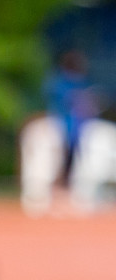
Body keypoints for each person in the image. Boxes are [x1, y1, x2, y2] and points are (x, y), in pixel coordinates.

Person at [46, 51, 99, 184]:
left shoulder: (81, 81)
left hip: (79, 121)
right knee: (70, 138)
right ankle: (64, 177)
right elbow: (63, 99)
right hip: (64, 119)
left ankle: (78, 177)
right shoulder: (59, 81)